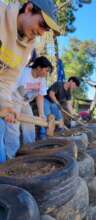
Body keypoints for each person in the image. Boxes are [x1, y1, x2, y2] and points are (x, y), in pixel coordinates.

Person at [0, 0, 61, 159]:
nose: (42, 32)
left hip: (19, 101)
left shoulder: (27, 48)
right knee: (10, 131)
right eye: (42, 24)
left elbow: (6, 80)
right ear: (28, 9)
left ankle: (16, 160)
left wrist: (5, 105)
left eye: (46, 29)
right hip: (16, 98)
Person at [5, 56, 53, 159]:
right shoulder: (23, 72)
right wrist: (10, 108)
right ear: (39, 68)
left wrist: (41, 114)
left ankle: (29, 152)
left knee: (30, 126)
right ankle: (11, 158)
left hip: (25, 103)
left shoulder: (42, 80)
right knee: (13, 129)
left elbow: (40, 96)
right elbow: (8, 89)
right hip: (13, 101)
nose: (47, 73)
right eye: (46, 70)